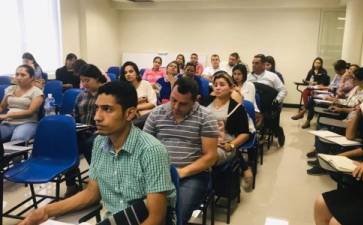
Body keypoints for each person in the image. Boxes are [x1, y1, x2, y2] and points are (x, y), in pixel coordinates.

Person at [20, 81, 176, 225]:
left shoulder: (151, 151)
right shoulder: (99, 143)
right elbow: (91, 194)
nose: (97, 117)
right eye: (97, 108)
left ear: (129, 114)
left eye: (107, 109)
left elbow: (156, 218)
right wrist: (46, 211)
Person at [143, 77, 218, 224]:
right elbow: (144, 146)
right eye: (173, 100)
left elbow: (210, 156)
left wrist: (181, 172)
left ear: (196, 100)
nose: (176, 107)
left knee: (177, 214)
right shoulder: (157, 113)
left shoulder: (206, 117)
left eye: (183, 104)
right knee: (139, 208)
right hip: (157, 172)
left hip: (192, 175)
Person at [64, 64, 108, 197]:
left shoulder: (107, 94)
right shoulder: (81, 96)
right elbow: (75, 115)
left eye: (87, 80)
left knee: (89, 144)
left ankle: (98, 181)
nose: (84, 84)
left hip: (99, 132)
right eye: (82, 81)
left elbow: (111, 117)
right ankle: (71, 184)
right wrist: (69, 119)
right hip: (81, 131)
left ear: (97, 78)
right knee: (67, 144)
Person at [207, 71, 254, 191]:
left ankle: (205, 192)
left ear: (231, 87)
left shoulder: (237, 108)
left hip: (224, 145)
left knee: (206, 158)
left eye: (222, 84)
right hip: (205, 142)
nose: (217, 87)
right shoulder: (206, 103)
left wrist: (231, 145)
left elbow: (245, 134)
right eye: (215, 84)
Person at [0, 65, 43, 142]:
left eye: (23, 75)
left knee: (17, 140)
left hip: (27, 123)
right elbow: (2, 106)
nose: (19, 77)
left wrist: (7, 115)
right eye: (17, 74)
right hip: (8, 122)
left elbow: (30, 112)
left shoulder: (37, 92)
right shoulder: (10, 89)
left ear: (31, 77)